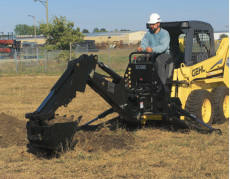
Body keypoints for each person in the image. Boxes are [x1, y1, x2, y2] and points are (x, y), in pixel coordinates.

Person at [137, 13, 171, 84]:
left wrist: (153, 49)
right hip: (153, 54)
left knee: (159, 60)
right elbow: (144, 43)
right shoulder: (148, 33)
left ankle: (162, 83)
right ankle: (141, 82)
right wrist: (141, 48)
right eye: (150, 24)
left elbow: (163, 47)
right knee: (140, 60)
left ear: (158, 24)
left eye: (153, 24)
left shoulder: (164, 33)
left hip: (165, 54)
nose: (151, 26)